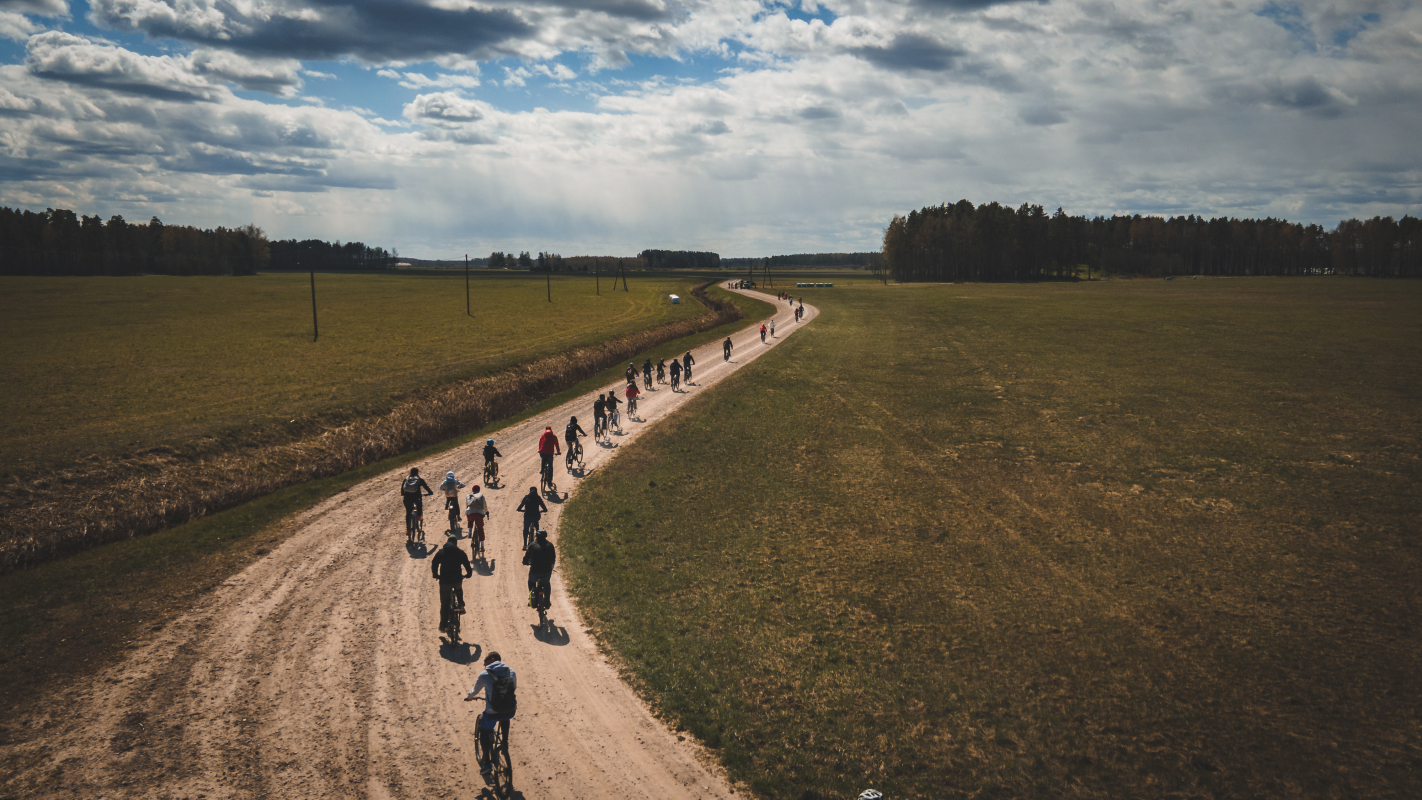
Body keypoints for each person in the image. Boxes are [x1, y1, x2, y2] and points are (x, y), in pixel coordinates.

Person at [463, 652, 517, 775]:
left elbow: (475, 691)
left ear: (491, 659)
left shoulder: (484, 674)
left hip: (492, 712)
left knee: (483, 731)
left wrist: (469, 697)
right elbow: (513, 688)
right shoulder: (511, 672)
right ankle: (505, 743)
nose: (483, 663)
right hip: (510, 710)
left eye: (485, 660)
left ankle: (487, 763)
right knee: (505, 716)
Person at [431, 533, 472, 634]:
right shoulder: (460, 553)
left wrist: (435, 574)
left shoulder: (441, 552)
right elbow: (467, 564)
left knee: (445, 604)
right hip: (457, 580)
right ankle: (461, 605)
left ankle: (443, 626)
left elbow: (434, 563)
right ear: (456, 543)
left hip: (445, 582)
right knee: (458, 589)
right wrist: (468, 574)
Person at [522, 528, 556, 614]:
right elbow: (553, 558)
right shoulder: (550, 545)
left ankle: (532, 596)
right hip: (546, 571)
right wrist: (551, 566)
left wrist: (525, 562)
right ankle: (547, 601)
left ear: (536, 536)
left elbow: (526, 557)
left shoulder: (532, 545)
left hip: (534, 571)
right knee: (547, 584)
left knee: (531, 582)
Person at [400, 467, 433, 534]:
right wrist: (430, 492)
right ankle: (419, 516)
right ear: (417, 472)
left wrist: (403, 494)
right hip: (416, 497)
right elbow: (425, 486)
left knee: (408, 513)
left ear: (410, 472)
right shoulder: (419, 479)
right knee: (419, 504)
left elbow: (402, 489)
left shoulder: (406, 479)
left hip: (407, 498)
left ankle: (408, 529)